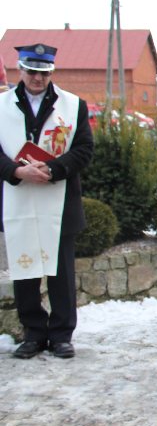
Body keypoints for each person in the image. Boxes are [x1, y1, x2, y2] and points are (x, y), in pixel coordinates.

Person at [0, 43, 93, 359]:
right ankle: (34, 333)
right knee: (25, 270)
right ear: (20, 70)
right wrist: (15, 170)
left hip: (60, 201)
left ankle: (62, 334)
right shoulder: (2, 105)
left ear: (51, 72)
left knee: (61, 274)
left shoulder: (73, 105)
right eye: (31, 71)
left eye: (43, 73)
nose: (37, 78)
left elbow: (84, 150)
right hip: (18, 198)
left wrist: (53, 168)